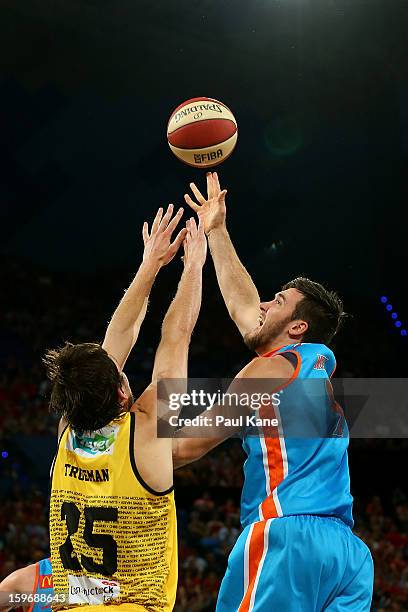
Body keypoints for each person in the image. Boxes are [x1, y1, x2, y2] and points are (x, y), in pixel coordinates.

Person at [172, 173, 374, 611]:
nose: (263, 305)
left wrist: (120, 440)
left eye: (277, 301)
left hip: (287, 537)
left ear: (297, 326)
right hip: (348, 556)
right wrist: (218, 230)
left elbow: (184, 448)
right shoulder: (311, 366)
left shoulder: (266, 372)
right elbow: (245, 308)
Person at [44, 206, 207, 611]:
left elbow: (118, 337)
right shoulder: (145, 434)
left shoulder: (68, 429)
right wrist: (193, 267)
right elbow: (177, 337)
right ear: (121, 394)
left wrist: (150, 264)